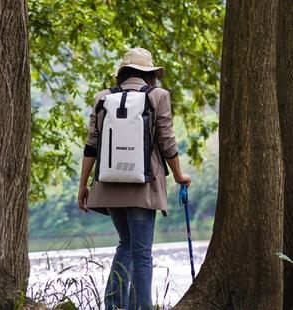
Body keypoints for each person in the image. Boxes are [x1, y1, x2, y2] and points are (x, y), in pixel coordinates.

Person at [78, 47, 191, 310]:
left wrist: (84, 185)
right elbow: (167, 140)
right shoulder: (158, 96)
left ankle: (115, 306)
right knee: (141, 252)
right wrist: (178, 175)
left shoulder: (103, 98)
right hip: (144, 185)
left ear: (122, 73)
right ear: (149, 74)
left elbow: (91, 145)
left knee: (126, 245)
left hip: (108, 184)